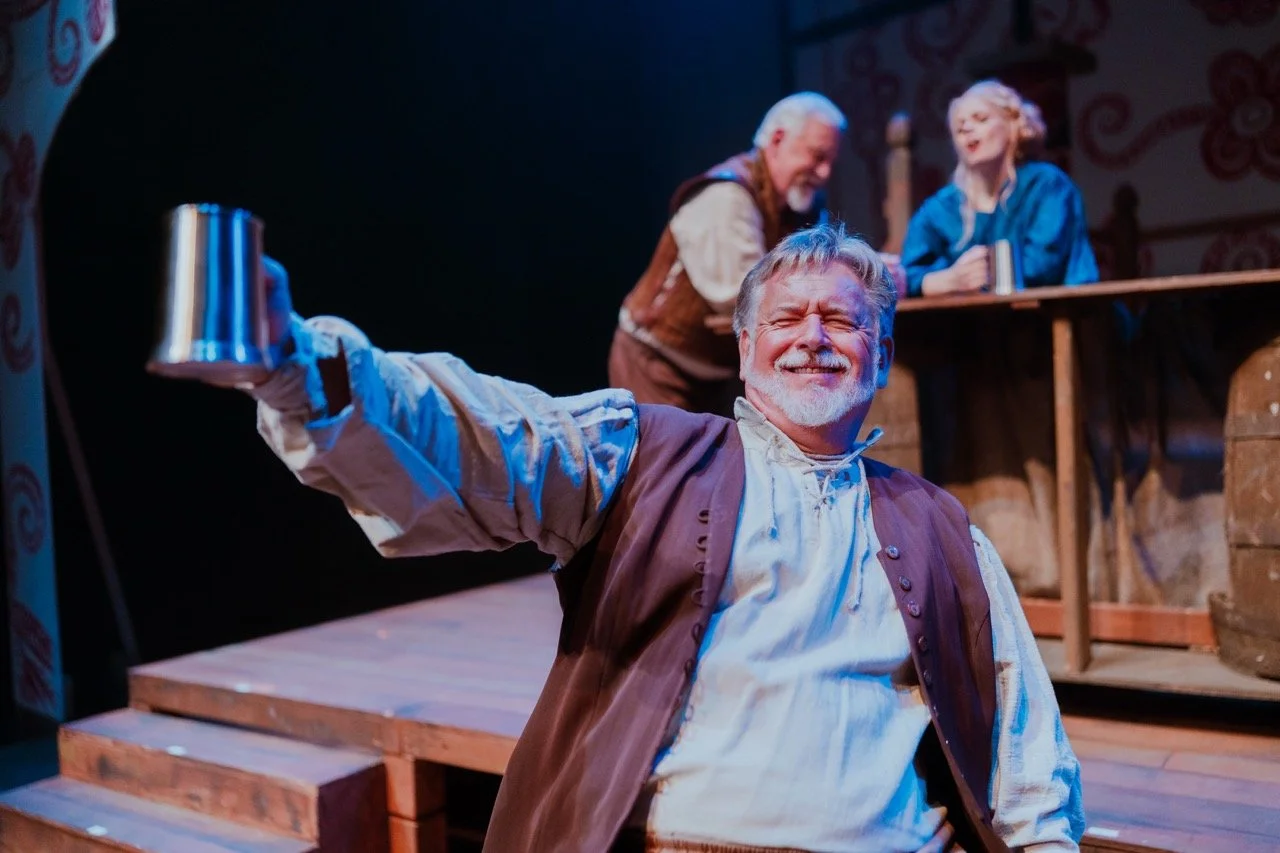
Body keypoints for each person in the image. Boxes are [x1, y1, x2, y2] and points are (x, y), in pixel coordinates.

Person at [241, 223, 1083, 852]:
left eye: (843, 320)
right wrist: (302, 364)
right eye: (788, 318)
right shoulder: (643, 454)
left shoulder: (939, 525)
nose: (814, 337)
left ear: (881, 351)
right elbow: (492, 434)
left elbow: (1023, 740)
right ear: (748, 351)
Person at [609, 92, 846, 414]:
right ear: (777, 139)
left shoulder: (796, 207)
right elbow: (741, 296)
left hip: (716, 374)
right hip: (658, 363)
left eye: (831, 161)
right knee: (665, 460)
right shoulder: (727, 196)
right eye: (817, 156)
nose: (824, 173)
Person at [900, 80, 1098, 297]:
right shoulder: (942, 207)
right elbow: (905, 276)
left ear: (1013, 126)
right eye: (958, 127)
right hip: (972, 324)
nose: (966, 128)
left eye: (980, 119)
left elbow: (1042, 266)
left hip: (1053, 318)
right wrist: (949, 280)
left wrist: (977, 277)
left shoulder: (1047, 186)